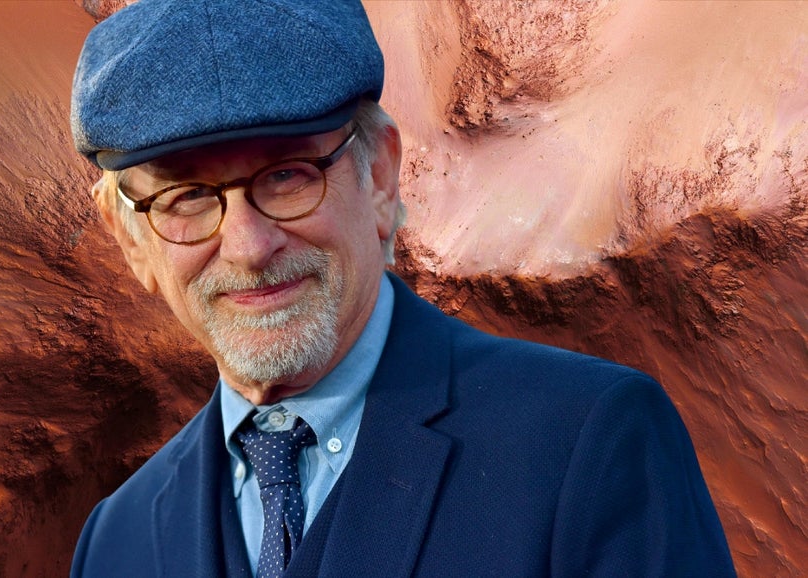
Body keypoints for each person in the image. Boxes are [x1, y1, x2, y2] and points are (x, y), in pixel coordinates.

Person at [67, 1, 736, 576]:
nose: (248, 247)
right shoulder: (114, 544)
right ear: (131, 239)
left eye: (288, 176)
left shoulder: (588, 446)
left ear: (381, 177)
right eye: (186, 196)